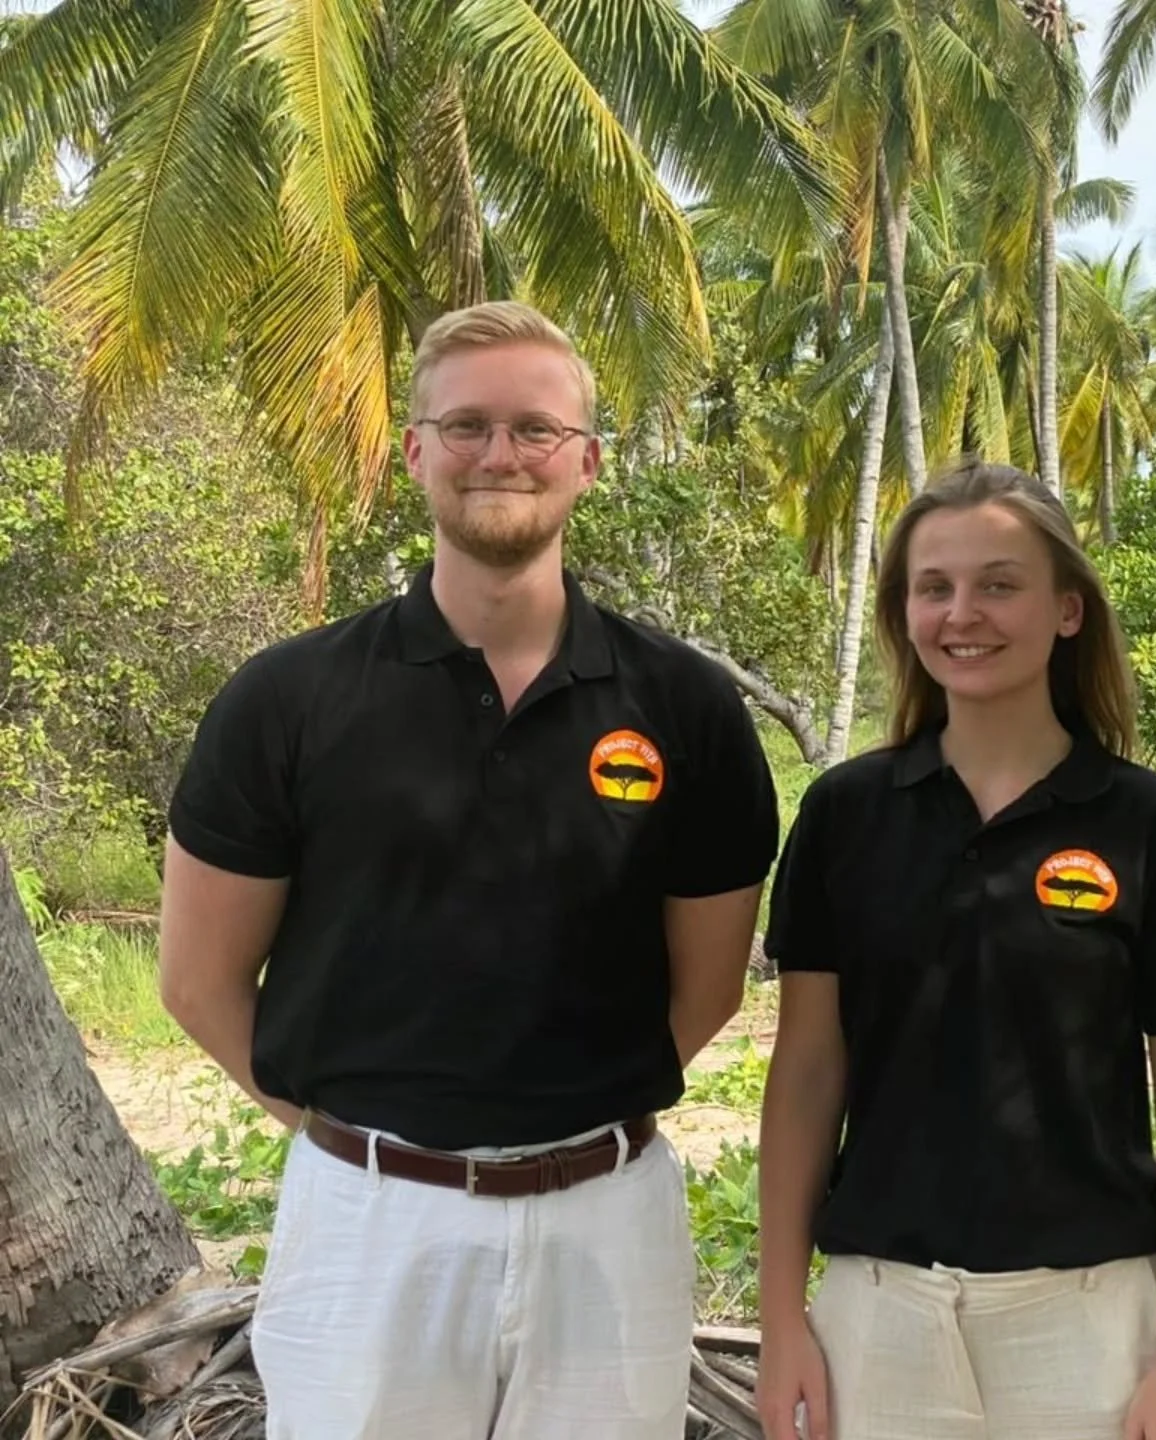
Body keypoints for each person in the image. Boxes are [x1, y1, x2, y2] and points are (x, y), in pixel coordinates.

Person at [158, 300, 780, 1440]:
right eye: (467, 426)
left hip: (608, 1221)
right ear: (415, 451)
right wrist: (364, 1139)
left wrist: (561, 1122)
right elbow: (198, 981)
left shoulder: (685, 706)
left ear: (587, 460)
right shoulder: (287, 700)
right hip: (364, 1226)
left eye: (537, 429)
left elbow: (709, 989)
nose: (502, 453)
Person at [755, 459, 1156, 1440]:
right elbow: (807, 1071)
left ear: (1067, 610)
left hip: (1089, 1322)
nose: (962, 614)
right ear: (903, 612)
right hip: (878, 1316)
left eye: (998, 584)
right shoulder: (846, 815)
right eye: (933, 587)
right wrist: (781, 1321)